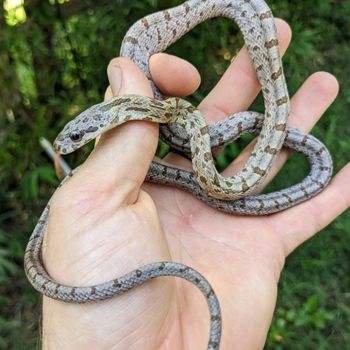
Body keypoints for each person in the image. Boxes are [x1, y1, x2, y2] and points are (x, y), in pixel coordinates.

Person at [42, 20, 349, 349]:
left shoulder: (159, 112)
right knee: (234, 128)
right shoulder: (148, 113)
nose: (75, 141)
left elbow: (181, 119)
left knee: (238, 124)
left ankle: (253, 125)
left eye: (78, 136)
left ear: (109, 116)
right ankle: (253, 125)